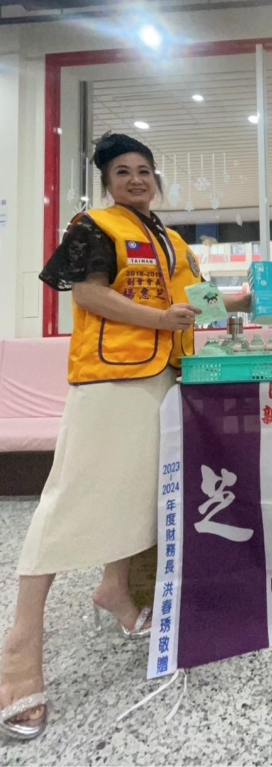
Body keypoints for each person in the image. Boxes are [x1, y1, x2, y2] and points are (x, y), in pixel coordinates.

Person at [0, 133, 250, 740]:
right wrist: (161, 319)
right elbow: (88, 293)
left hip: (167, 379)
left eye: (144, 170)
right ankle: (19, 647)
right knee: (68, 500)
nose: (136, 179)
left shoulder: (170, 239)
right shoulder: (95, 227)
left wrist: (242, 298)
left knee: (139, 492)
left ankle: (114, 590)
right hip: (111, 379)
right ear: (107, 182)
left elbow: (195, 300)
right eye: (122, 172)